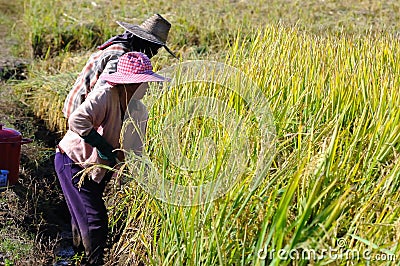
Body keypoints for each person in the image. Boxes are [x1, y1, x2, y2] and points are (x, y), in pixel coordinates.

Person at [54, 52, 166, 265]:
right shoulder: (105, 95)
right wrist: (102, 145)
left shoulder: (139, 111)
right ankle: (94, 262)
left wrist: (144, 177)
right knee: (95, 221)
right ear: (131, 84)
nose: (148, 88)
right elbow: (77, 120)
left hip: (99, 169)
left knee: (82, 220)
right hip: (74, 163)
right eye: (145, 83)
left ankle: (77, 258)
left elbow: (136, 149)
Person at [62, 13, 175, 119]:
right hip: (82, 107)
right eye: (155, 48)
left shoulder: (128, 50)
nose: (155, 53)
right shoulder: (120, 53)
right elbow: (103, 89)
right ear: (145, 42)